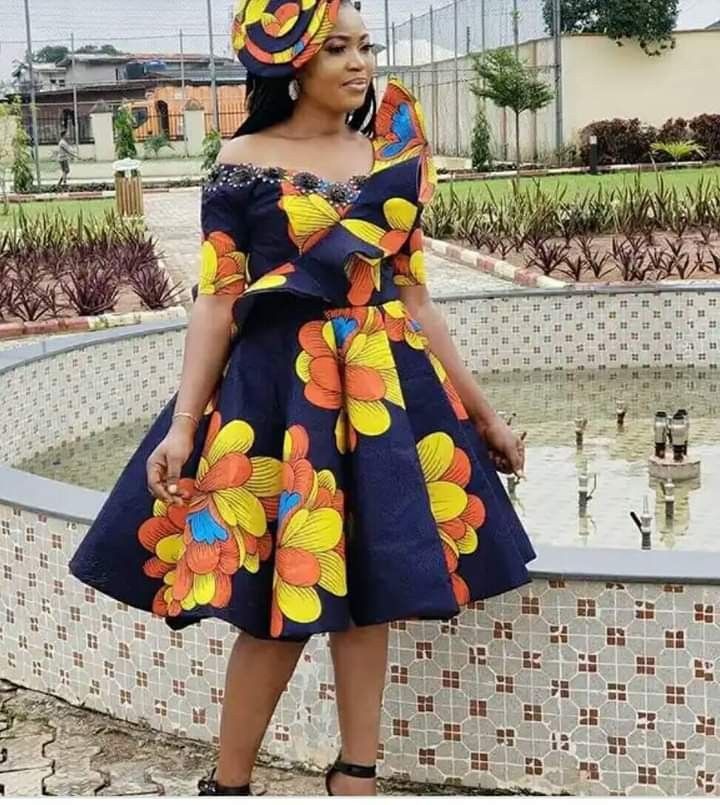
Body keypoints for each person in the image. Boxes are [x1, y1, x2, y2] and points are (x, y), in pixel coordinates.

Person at [69, 0, 536, 796]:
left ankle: (357, 774)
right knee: (272, 610)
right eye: (336, 49)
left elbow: (415, 298)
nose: (359, 63)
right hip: (279, 396)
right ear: (292, 63)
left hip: (382, 395)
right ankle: (230, 783)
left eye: (365, 47)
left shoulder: (390, 156)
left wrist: (484, 414)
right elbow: (218, 300)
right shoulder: (242, 162)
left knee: (373, 592)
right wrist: (183, 427)